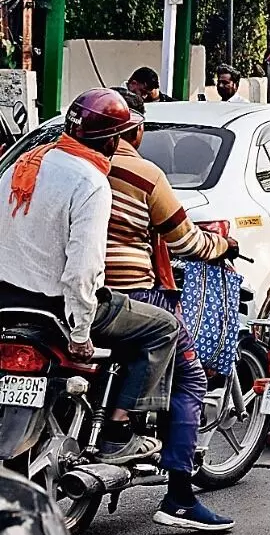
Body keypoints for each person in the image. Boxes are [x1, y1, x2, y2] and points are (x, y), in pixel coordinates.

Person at [0, 89, 177, 463]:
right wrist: (81, 333)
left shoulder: (21, 164)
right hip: (56, 310)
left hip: (6, 303)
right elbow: (84, 271)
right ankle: (118, 429)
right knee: (163, 327)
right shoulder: (90, 181)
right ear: (114, 139)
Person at [105, 87, 237, 531]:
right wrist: (223, 246)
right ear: (135, 129)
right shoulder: (143, 174)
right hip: (129, 294)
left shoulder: (57, 164)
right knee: (191, 376)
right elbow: (185, 241)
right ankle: (179, 494)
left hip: (52, 295)